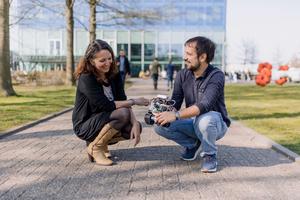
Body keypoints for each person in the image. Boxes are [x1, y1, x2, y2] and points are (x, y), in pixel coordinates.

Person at [153, 36, 231, 173]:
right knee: (159, 125)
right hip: (193, 122)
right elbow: (176, 101)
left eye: (189, 54)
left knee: (205, 119)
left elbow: (204, 105)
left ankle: (209, 155)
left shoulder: (216, 75)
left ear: (202, 57)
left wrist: (176, 115)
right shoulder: (183, 75)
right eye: (185, 54)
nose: (184, 58)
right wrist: (163, 110)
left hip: (215, 123)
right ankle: (193, 144)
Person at [72, 40, 149, 166]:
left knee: (134, 128)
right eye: (102, 60)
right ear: (91, 61)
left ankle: (100, 144)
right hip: (85, 124)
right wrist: (134, 101)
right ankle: (96, 147)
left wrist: (134, 122)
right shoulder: (86, 77)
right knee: (123, 113)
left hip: (104, 118)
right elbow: (106, 105)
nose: (107, 63)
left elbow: (122, 100)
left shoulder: (115, 74)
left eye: (109, 58)